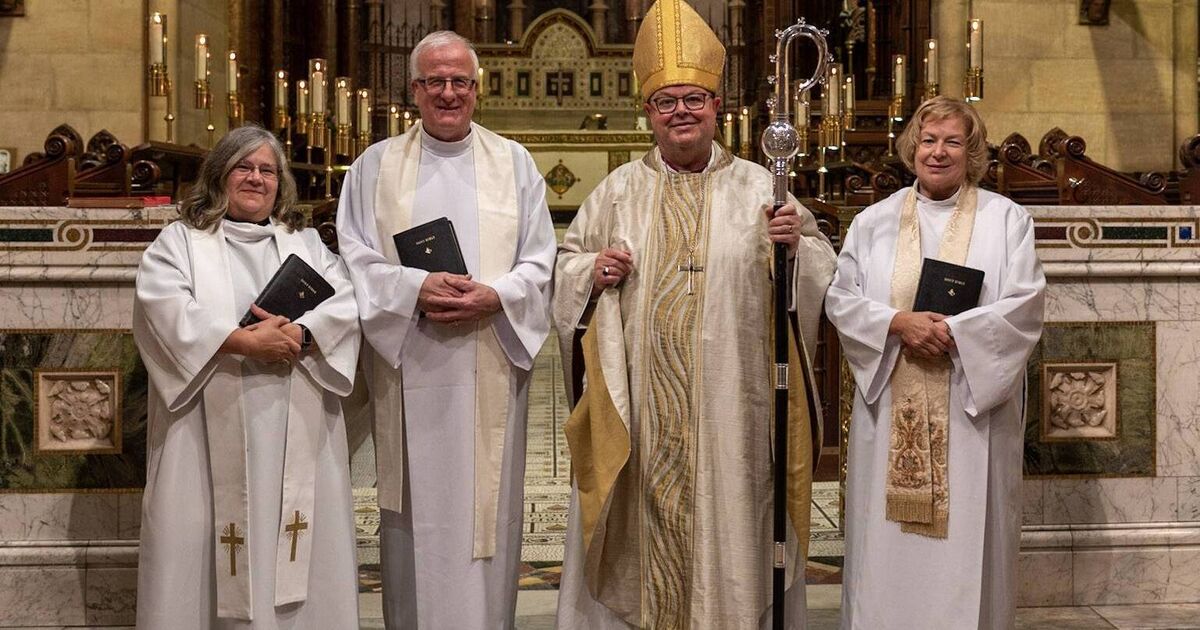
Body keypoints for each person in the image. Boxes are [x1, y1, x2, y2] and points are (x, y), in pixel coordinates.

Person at [552, 1, 837, 628]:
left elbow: (821, 271)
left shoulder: (763, 188)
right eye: (666, 102)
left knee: (735, 527)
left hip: (734, 415)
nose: (680, 111)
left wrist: (795, 248)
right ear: (648, 112)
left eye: (693, 99)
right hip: (642, 417)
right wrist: (592, 272)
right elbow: (565, 268)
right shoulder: (617, 191)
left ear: (716, 107)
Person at [335, 31, 556, 628]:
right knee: (414, 517)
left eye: (460, 81)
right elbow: (353, 256)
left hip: (490, 357)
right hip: (410, 361)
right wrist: (413, 289)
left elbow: (540, 259)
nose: (449, 93)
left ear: (477, 89)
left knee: (488, 513)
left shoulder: (514, 162)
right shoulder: (374, 166)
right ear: (414, 90)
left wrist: (496, 295)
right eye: (436, 81)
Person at [825, 95, 1046, 629]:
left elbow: (1025, 304)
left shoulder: (1006, 220)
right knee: (885, 552)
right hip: (891, 408)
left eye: (953, 142)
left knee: (969, 541)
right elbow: (841, 297)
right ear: (912, 148)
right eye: (928, 140)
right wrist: (898, 324)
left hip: (970, 414)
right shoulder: (873, 222)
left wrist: (954, 333)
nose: (938, 152)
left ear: (972, 152)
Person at [133, 125, 362, 628]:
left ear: (281, 183)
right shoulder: (181, 242)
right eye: (244, 167)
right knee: (201, 542)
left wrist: (301, 335)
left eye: (268, 170)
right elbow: (163, 307)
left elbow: (345, 302)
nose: (256, 178)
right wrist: (241, 342)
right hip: (205, 427)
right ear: (220, 174)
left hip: (294, 419)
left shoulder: (305, 244)